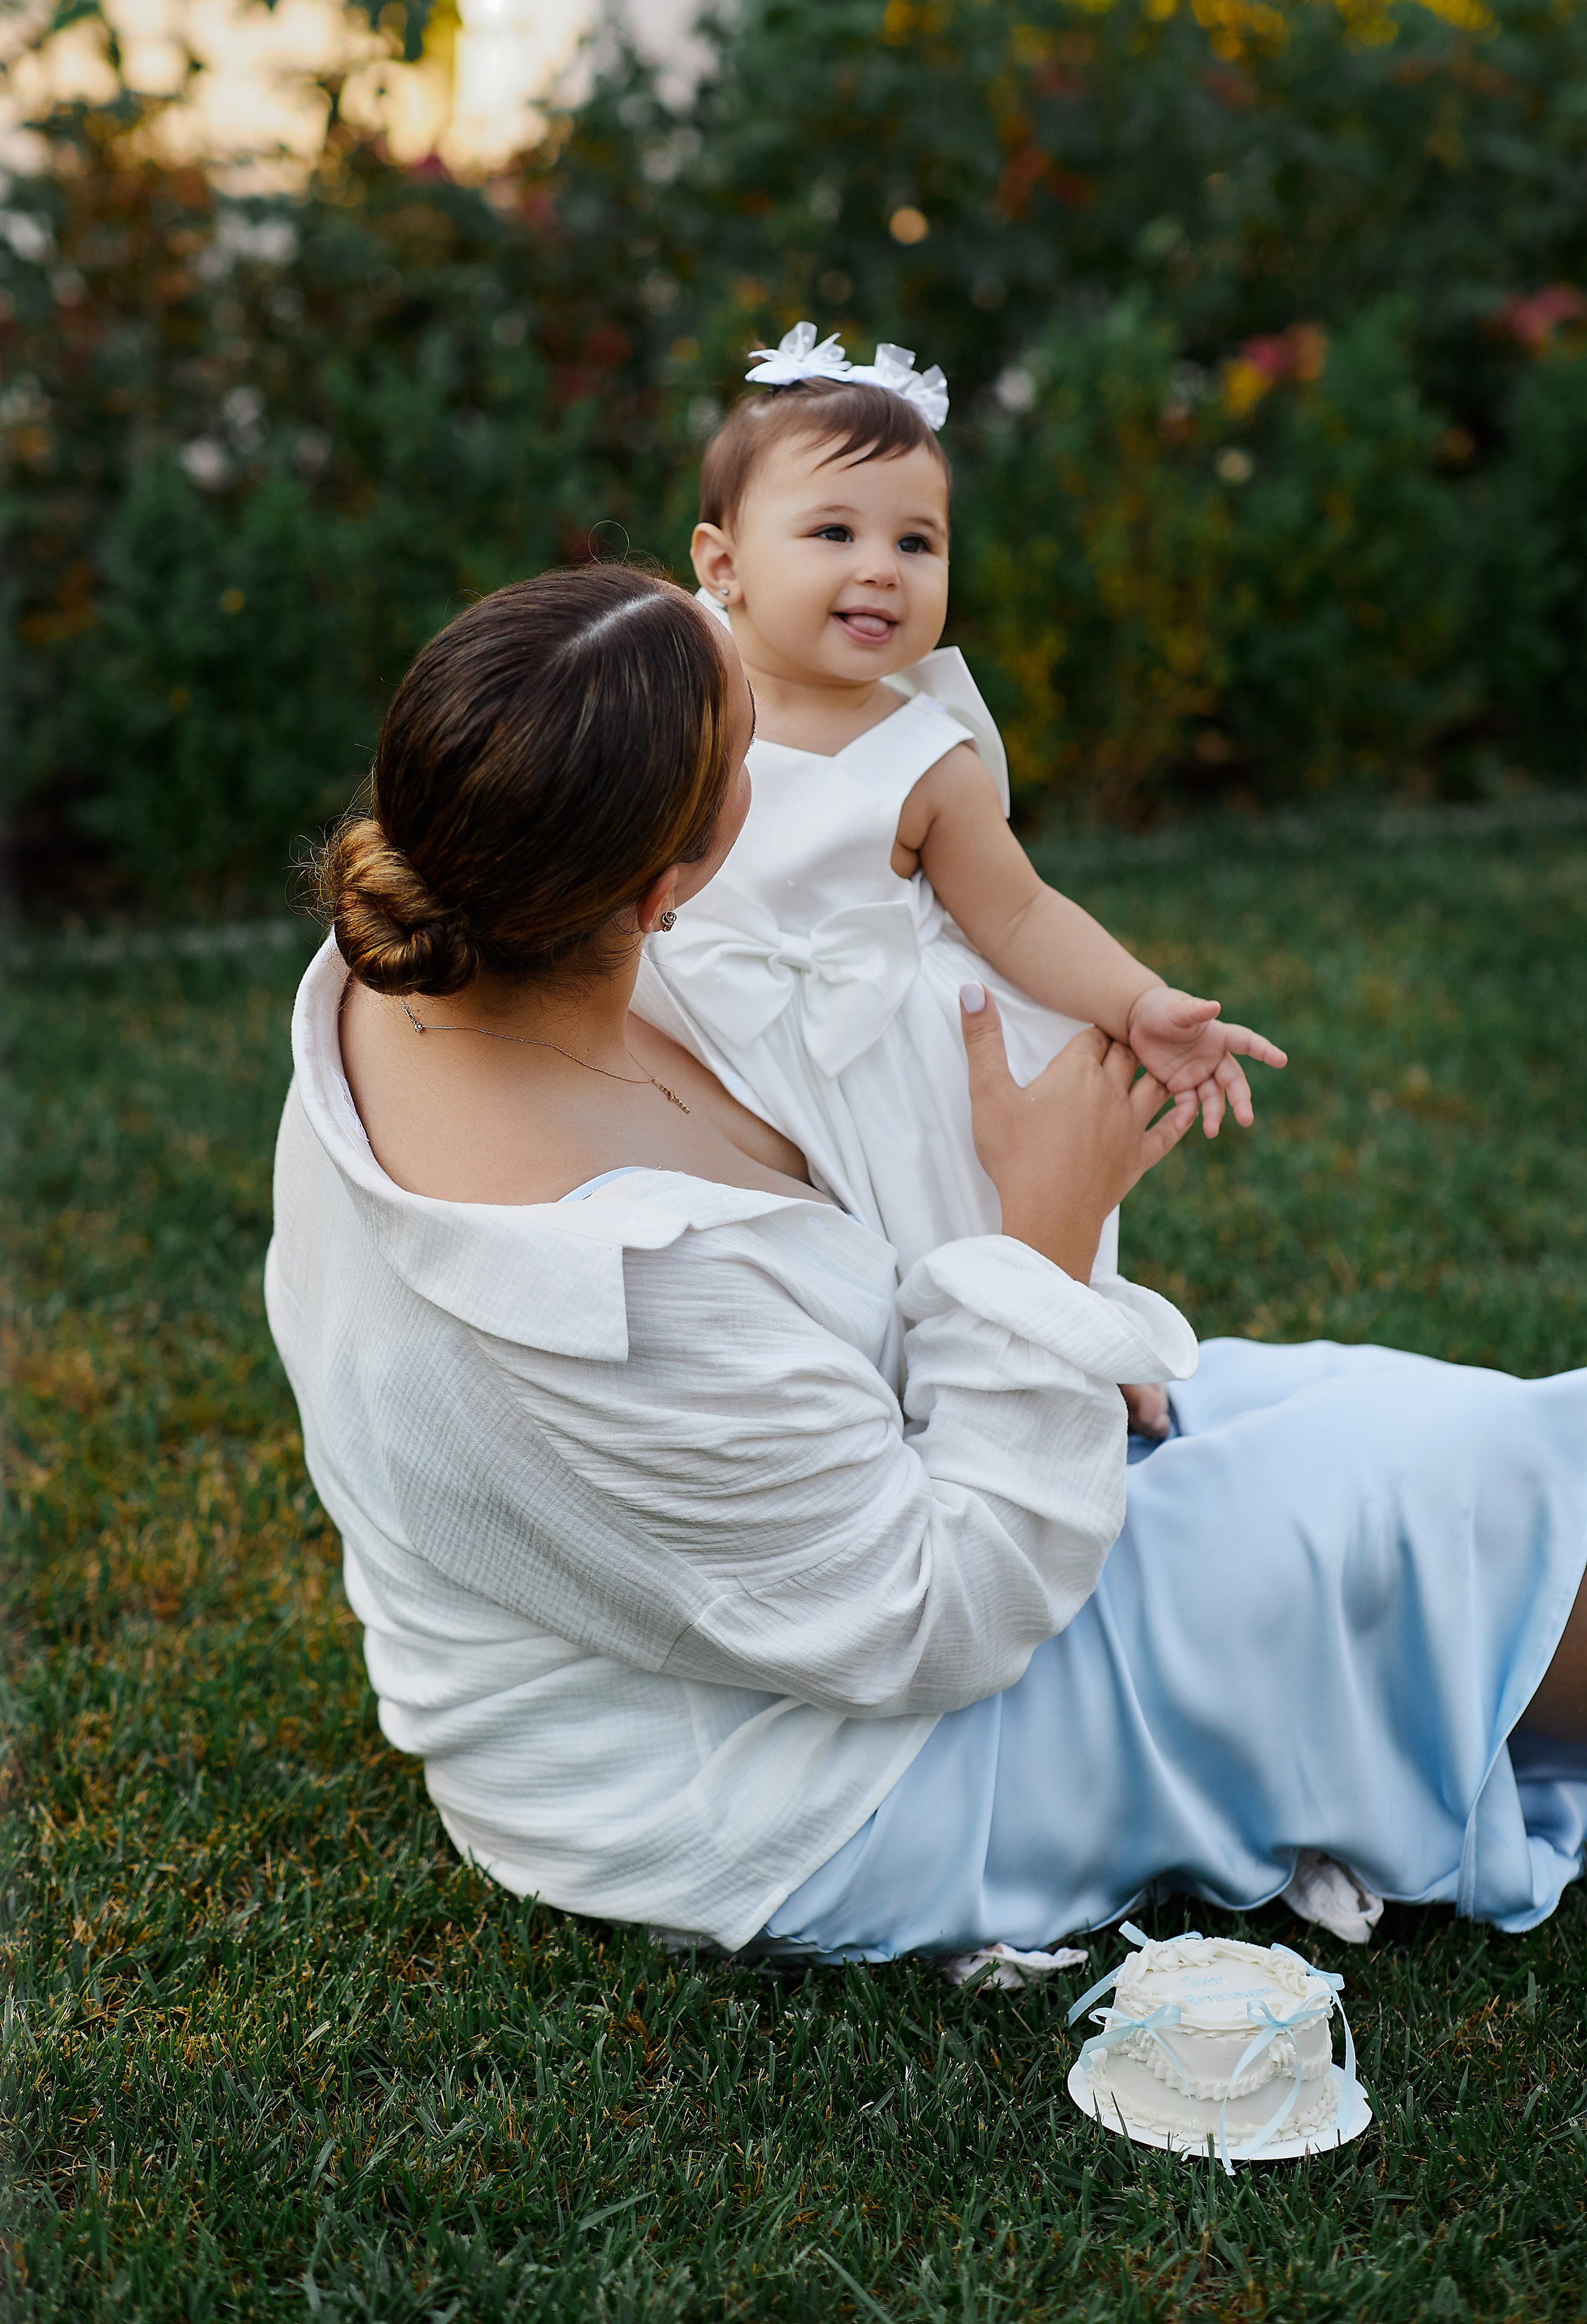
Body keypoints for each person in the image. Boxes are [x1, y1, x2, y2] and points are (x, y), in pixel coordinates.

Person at [266, 563, 1587, 1966]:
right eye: (751, 722)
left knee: (1431, 1426)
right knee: (1405, 1515)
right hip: (794, 1779)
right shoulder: (607, 1291)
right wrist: (1041, 1249)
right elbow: (931, 1621)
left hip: (833, 1515)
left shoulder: (432, 960)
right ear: (668, 880)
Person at [639, 325, 1286, 1445]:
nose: (882, 566)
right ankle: (814, 1414)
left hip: (885, 1061)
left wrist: (1137, 1001)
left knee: (943, 1238)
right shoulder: (670, 686)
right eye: (834, 531)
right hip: (704, 1032)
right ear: (723, 562)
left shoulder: (921, 753)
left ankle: (1055, 1363)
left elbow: (1021, 912)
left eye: (918, 541)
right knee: (758, 1265)